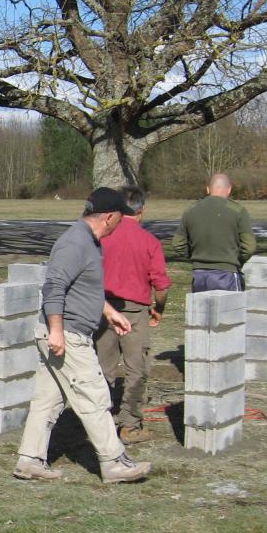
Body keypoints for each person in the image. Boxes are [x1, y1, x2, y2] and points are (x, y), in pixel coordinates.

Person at [14, 188, 152, 485]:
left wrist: (108, 311)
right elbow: (54, 287)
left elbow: (82, 288)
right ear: (110, 217)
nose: (120, 225)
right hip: (68, 334)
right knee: (94, 395)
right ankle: (114, 462)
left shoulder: (89, 241)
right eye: (120, 219)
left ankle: (30, 460)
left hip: (67, 331)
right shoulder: (75, 243)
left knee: (47, 400)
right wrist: (56, 331)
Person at [94, 185, 172, 444]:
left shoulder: (101, 236)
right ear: (142, 211)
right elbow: (161, 286)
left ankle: (98, 422)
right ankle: (130, 424)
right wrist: (158, 309)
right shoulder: (149, 241)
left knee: (102, 368)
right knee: (136, 368)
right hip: (136, 311)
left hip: (103, 309)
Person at [171, 172, 256, 292]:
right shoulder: (238, 211)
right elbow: (249, 246)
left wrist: (195, 256)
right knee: (231, 310)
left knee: (201, 310)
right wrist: (235, 260)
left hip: (199, 275)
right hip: (228, 274)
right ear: (229, 189)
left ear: (207, 189)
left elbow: (177, 243)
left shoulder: (191, 210)